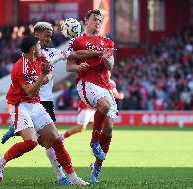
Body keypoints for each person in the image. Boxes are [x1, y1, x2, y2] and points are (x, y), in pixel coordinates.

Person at [0, 21, 110, 184]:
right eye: (46, 34)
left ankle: (63, 176)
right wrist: (45, 75)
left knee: (50, 143)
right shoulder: (28, 58)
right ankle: (61, 176)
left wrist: (96, 53)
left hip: (45, 102)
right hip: (30, 101)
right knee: (45, 142)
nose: (49, 37)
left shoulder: (52, 52)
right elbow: (25, 82)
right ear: (37, 35)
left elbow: (75, 55)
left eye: (51, 34)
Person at [0, 35, 89, 186]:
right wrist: (42, 77)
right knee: (31, 143)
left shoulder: (41, 59)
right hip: (21, 106)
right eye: (38, 45)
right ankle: (1, 161)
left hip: (36, 105)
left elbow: (49, 73)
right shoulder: (20, 67)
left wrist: (46, 76)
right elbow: (30, 91)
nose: (41, 48)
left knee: (57, 142)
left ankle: (73, 178)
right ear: (32, 49)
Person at [67, 9, 117, 183]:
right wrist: (79, 68)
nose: (97, 21)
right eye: (94, 19)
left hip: (105, 85)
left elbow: (110, 66)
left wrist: (105, 58)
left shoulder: (108, 42)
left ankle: (96, 169)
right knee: (105, 106)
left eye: (99, 19)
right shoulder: (78, 41)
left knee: (109, 127)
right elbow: (69, 66)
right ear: (85, 21)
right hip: (86, 82)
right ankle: (94, 142)